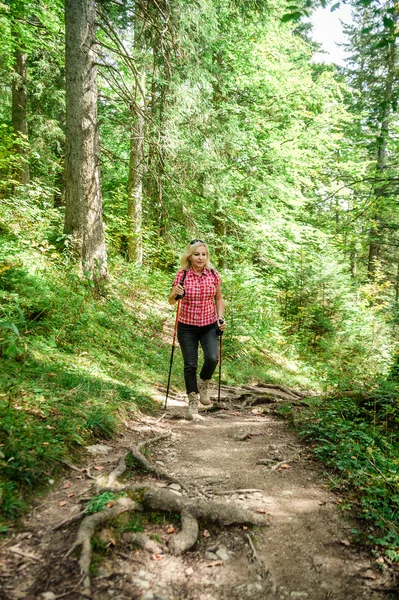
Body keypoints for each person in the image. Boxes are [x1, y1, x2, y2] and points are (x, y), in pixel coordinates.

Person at [169, 239, 226, 420]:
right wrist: (175, 293)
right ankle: (193, 401)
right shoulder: (182, 275)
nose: (200, 258)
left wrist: (220, 317)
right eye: (196, 254)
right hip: (187, 326)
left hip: (209, 324)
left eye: (203, 254)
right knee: (190, 364)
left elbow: (218, 299)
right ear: (190, 256)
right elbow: (171, 301)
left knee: (212, 358)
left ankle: (204, 383)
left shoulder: (213, 274)